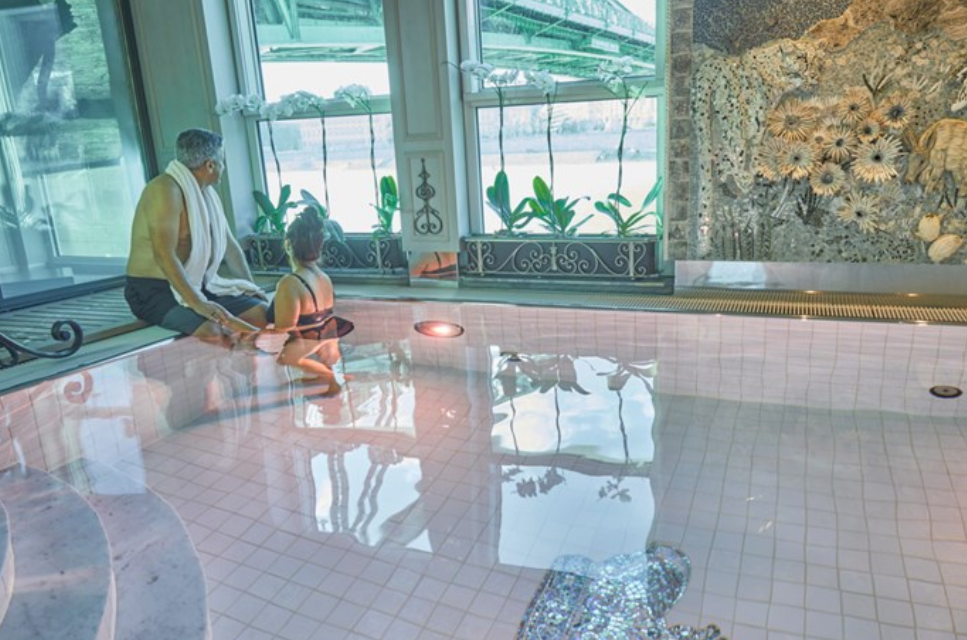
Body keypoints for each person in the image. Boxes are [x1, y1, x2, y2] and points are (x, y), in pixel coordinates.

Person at [125, 128, 268, 339]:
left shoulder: (206, 195)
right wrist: (198, 304)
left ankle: (245, 370)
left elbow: (230, 248)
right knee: (214, 331)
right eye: (222, 160)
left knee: (261, 312)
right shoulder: (165, 190)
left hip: (197, 283)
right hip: (153, 291)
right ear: (210, 165)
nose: (224, 166)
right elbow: (163, 253)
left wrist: (251, 286)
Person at [267, 207, 347, 391]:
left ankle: (330, 377)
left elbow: (284, 328)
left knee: (285, 357)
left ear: (288, 245)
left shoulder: (290, 283)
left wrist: (255, 334)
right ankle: (324, 373)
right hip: (330, 336)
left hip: (313, 340)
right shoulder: (324, 277)